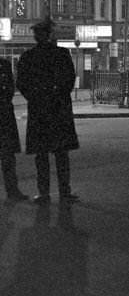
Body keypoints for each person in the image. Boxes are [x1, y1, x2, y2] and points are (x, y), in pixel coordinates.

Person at [16, 18, 79, 204]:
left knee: (42, 155)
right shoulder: (61, 54)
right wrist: (58, 96)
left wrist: (35, 98)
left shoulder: (28, 56)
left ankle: (44, 193)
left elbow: (22, 84)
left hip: (40, 110)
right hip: (58, 109)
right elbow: (69, 79)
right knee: (60, 154)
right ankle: (64, 192)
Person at [1, 55, 28, 201]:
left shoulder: (4, 64)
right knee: (7, 156)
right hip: (4, 112)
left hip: (4, 113)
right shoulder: (4, 65)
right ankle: (12, 191)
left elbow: (11, 87)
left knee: (8, 156)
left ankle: (12, 190)